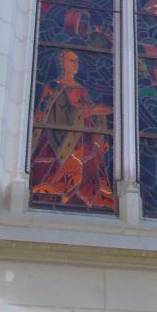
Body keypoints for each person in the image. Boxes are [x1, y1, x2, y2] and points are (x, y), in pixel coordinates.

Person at [30, 49, 114, 210]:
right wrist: (89, 111)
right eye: (71, 61)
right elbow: (46, 111)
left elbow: (88, 108)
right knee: (50, 172)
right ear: (62, 63)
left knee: (88, 177)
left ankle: (87, 201)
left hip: (83, 139)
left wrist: (97, 113)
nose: (75, 65)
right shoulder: (53, 86)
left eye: (76, 61)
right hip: (55, 138)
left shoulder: (81, 88)